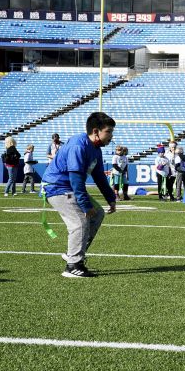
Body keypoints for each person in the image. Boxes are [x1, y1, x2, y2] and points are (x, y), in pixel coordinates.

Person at [42, 111, 117, 278]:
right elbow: (76, 180)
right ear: (96, 131)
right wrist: (85, 205)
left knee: (97, 214)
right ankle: (73, 265)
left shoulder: (96, 149)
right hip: (57, 187)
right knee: (80, 221)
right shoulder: (78, 145)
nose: (111, 136)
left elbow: (99, 176)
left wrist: (111, 199)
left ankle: (75, 254)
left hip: (68, 187)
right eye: (109, 132)